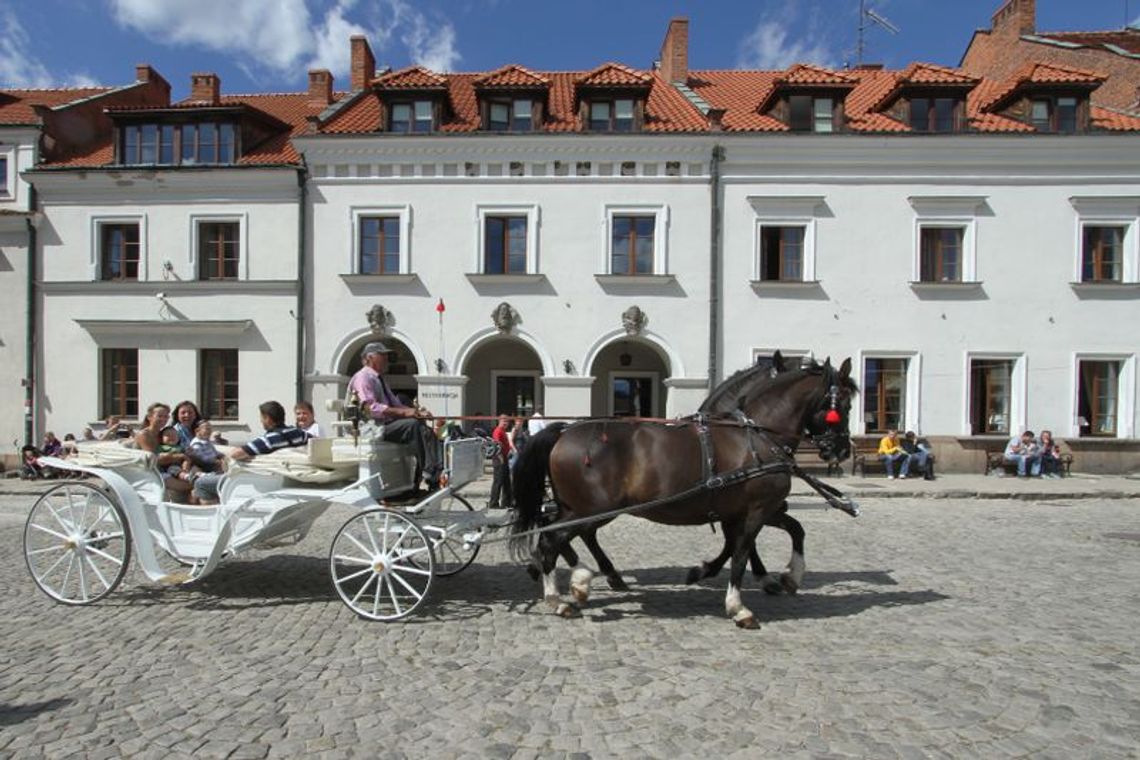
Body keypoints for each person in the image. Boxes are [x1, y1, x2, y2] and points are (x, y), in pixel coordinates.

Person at [348, 341, 441, 492]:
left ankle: (424, 477)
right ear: (369, 358)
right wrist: (406, 413)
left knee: (423, 428)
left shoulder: (380, 379)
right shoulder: (363, 377)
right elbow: (370, 408)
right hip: (373, 428)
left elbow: (396, 404)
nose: (386, 359)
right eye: (382, 355)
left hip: (386, 426)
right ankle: (430, 473)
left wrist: (417, 413)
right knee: (413, 426)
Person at [193, 401, 311, 505]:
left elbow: (236, 454)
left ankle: (213, 514)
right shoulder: (299, 433)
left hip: (259, 479)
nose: (260, 421)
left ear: (267, 419)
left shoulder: (268, 440)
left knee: (201, 484)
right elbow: (315, 441)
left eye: (261, 417)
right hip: (287, 478)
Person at [134, 402, 191, 501]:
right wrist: (178, 456)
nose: (163, 419)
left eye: (166, 417)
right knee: (191, 485)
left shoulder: (163, 434)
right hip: (150, 471)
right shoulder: (144, 435)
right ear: (149, 417)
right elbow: (154, 459)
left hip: (167, 468)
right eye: (160, 416)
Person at [488, 414, 514, 509]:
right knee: (498, 481)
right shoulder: (498, 431)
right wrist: (501, 458)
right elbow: (496, 445)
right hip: (499, 459)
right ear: (500, 421)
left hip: (505, 457)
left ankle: (506, 502)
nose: (506, 423)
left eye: (507, 422)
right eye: (504, 421)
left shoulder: (502, 431)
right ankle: (493, 503)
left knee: (506, 481)